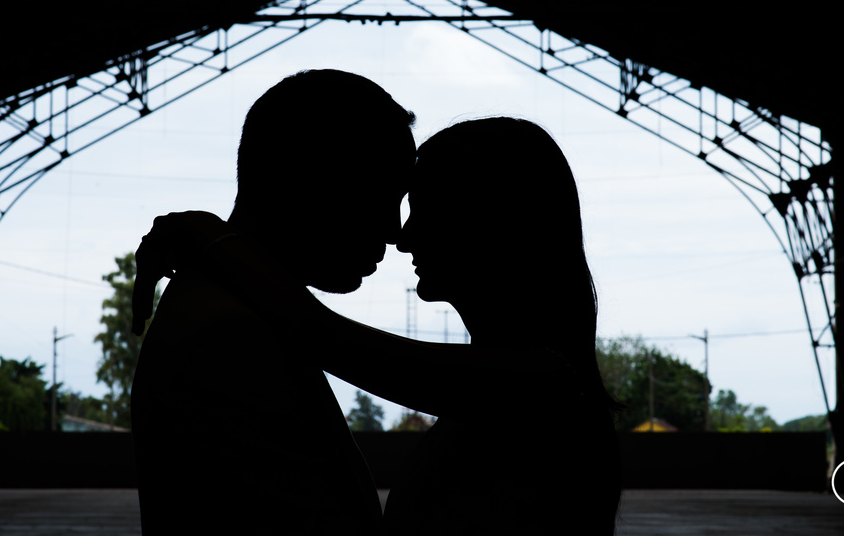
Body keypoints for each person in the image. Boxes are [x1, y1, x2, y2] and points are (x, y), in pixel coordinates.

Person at [146, 117, 621, 534]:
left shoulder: (540, 386)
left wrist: (208, 233)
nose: (403, 235)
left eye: (424, 208)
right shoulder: (537, 383)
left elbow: (321, 333)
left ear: (488, 222)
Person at [129, 69, 416, 534]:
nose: (395, 231)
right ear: (308, 178)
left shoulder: (238, 315)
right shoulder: (229, 339)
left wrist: (209, 236)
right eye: (381, 194)